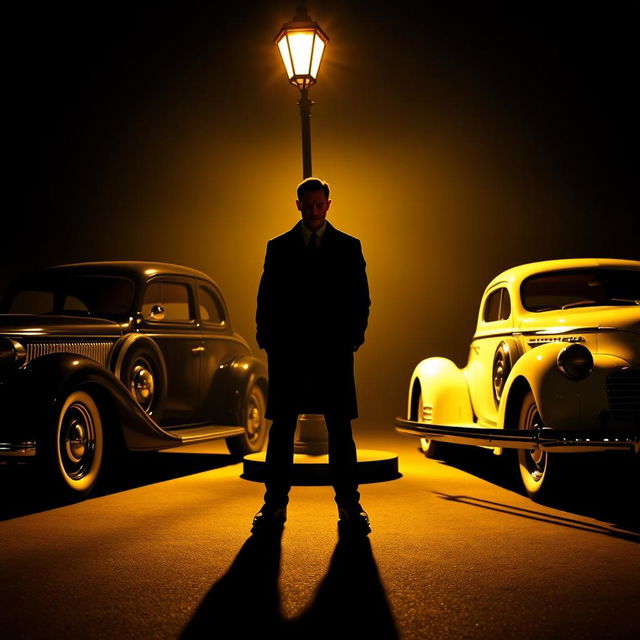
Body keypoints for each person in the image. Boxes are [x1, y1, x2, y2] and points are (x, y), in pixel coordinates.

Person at [253, 177, 371, 533]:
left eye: (320, 205)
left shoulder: (349, 247)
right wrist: (269, 339)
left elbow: (360, 298)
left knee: (338, 429)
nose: (315, 211)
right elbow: (266, 298)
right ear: (299, 205)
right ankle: (275, 504)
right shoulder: (279, 247)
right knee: (284, 429)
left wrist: (353, 337)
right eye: (309, 205)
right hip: (291, 353)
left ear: (328, 204)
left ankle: (349, 505)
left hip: (331, 352)